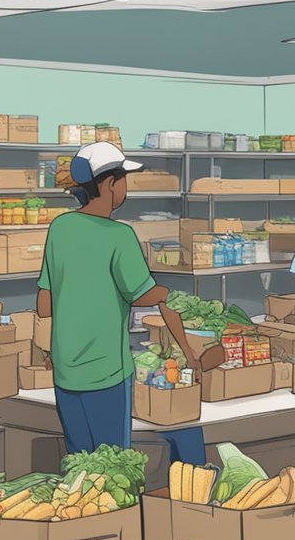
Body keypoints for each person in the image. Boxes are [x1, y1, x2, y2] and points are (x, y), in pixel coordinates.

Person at [37, 142, 221, 468]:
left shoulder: (60, 228)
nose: (125, 187)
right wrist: (167, 294)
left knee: (80, 466)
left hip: (66, 371)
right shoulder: (119, 236)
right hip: (106, 370)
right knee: (114, 468)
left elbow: (44, 303)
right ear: (109, 184)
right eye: (123, 179)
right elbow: (142, 295)